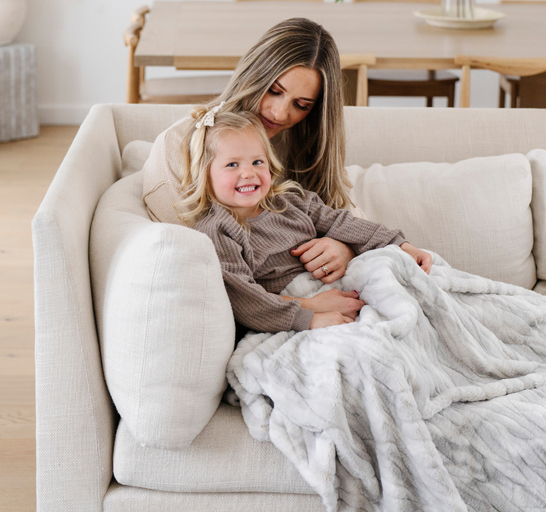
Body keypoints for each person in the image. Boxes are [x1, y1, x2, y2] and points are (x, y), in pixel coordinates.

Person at [142, 17, 358, 285]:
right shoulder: (180, 147)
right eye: (274, 91)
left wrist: (346, 249)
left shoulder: (303, 143)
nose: (280, 113)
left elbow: (346, 212)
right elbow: (204, 265)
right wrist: (300, 310)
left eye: (301, 105)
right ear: (254, 76)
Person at [180, 108, 433, 333]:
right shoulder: (218, 230)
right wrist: (311, 312)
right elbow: (245, 299)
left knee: (413, 284)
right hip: (295, 313)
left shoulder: (292, 201)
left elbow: (344, 224)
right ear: (205, 174)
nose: (248, 172)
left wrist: (401, 246)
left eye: (258, 161)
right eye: (232, 164)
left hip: (341, 288)